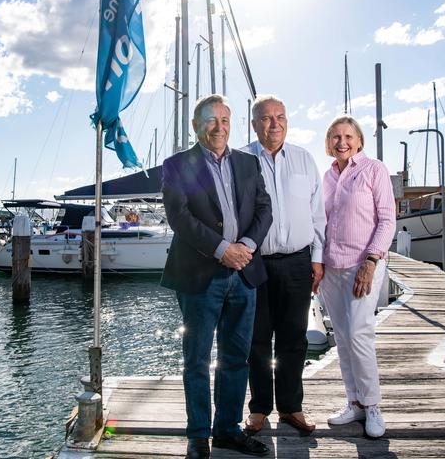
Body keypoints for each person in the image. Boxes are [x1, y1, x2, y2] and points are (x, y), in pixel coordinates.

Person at [161, 94, 272, 458]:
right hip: (199, 276)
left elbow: (263, 208)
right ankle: (197, 436)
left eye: (225, 120)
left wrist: (247, 245)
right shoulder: (177, 165)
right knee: (196, 359)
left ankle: (226, 430)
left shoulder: (248, 162)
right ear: (197, 126)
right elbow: (180, 217)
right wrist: (223, 249)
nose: (219, 127)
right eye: (211, 120)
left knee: (236, 357)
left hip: (244, 273)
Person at [241, 95, 326, 434]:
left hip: (297, 262)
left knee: (294, 338)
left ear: (287, 121)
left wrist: (317, 259)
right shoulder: (241, 161)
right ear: (254, 124)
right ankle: (260, 408)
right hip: (254, 263)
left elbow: (318, 215)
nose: (274, 123)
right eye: (266, 118)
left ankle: (292, 406)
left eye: (280, 117)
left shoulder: (305, 160)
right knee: (256, 338)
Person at [319, 115, 396, 438]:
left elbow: (388, 220)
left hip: (363, 265)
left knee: (359, 335)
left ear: (359, 140)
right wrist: (317, 264)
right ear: (328, 143)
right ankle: (354, 402)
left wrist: (372, 259)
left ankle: (373, 405)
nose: (342, 142)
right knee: (341, 337)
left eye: (348, 136)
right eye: (335, 137)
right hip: (331, 268)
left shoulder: (374, 170)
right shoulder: (328, 176)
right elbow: (320, 221)